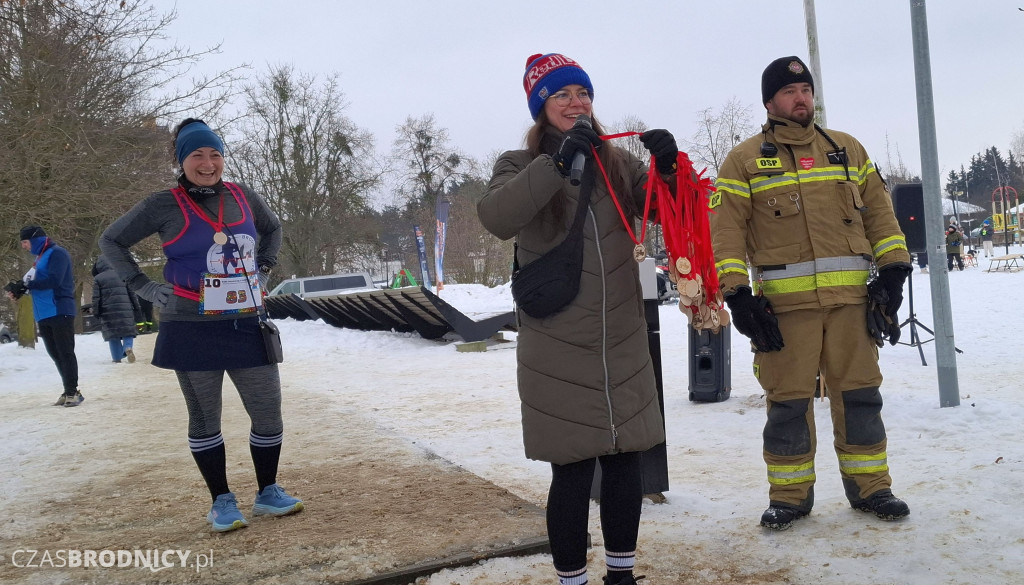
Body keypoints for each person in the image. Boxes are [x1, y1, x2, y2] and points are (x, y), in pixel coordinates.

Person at [478, 53, 677, 585]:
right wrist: (557, 163)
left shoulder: (615, 161)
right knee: (570, 469)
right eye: (562, 95)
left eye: (582, 93)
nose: (576, 102)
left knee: (624, 465)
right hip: (558, 343)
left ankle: (621, 576)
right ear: (541, 107)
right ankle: (572, 579)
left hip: (622, 340)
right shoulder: (518, 164)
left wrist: (669, 170)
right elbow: (497, 217)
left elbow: (664, 209)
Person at [710, 56, 913, 531]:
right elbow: (727, 235)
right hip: (786, 311)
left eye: (806, 90)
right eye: (789, 91)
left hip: (850, 305)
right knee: (788, 404)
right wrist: (738, 296)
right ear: (770, 102)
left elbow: (880, 217)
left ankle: (872, 488)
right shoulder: (743, 160)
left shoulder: (847, 150)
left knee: (862, 397)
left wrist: (894, 272)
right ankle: (790, 496)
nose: (801, 98)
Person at [99, 118, 302, 533]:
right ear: (181, 160)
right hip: (189, 324)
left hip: (246, 322)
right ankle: (221, 501)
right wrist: (144, 287)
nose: (207, 163)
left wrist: (262, 269)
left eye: (214, 154)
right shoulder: (162, 204)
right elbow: (111, 240)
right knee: (205, 417)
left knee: (268, 413)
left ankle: (268, 492)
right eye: (197, 155)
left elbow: (274, 229)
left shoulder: (244, 197)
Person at [6, 226, 83, 406]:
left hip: (59, 308)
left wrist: (29, 285)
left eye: (25, 242)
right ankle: (68, 390)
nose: (24, 246)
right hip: (44, 312)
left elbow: (55, 280)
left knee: (65, 352)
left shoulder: (57, 253)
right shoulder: (39, 259)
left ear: (36, 240)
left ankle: (73, 392)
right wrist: (20, 289)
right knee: (55, 353)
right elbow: (34, 282)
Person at [91, 255, 138, 363]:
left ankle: (117, 358)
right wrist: (136, 307)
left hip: (108, 311)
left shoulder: (98, 278)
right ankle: (127, 347)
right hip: (125, 308)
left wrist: (96, 311)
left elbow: (96, 298)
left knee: (113, 335)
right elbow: (132, 293)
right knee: (127, 331)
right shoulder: (122, 274)